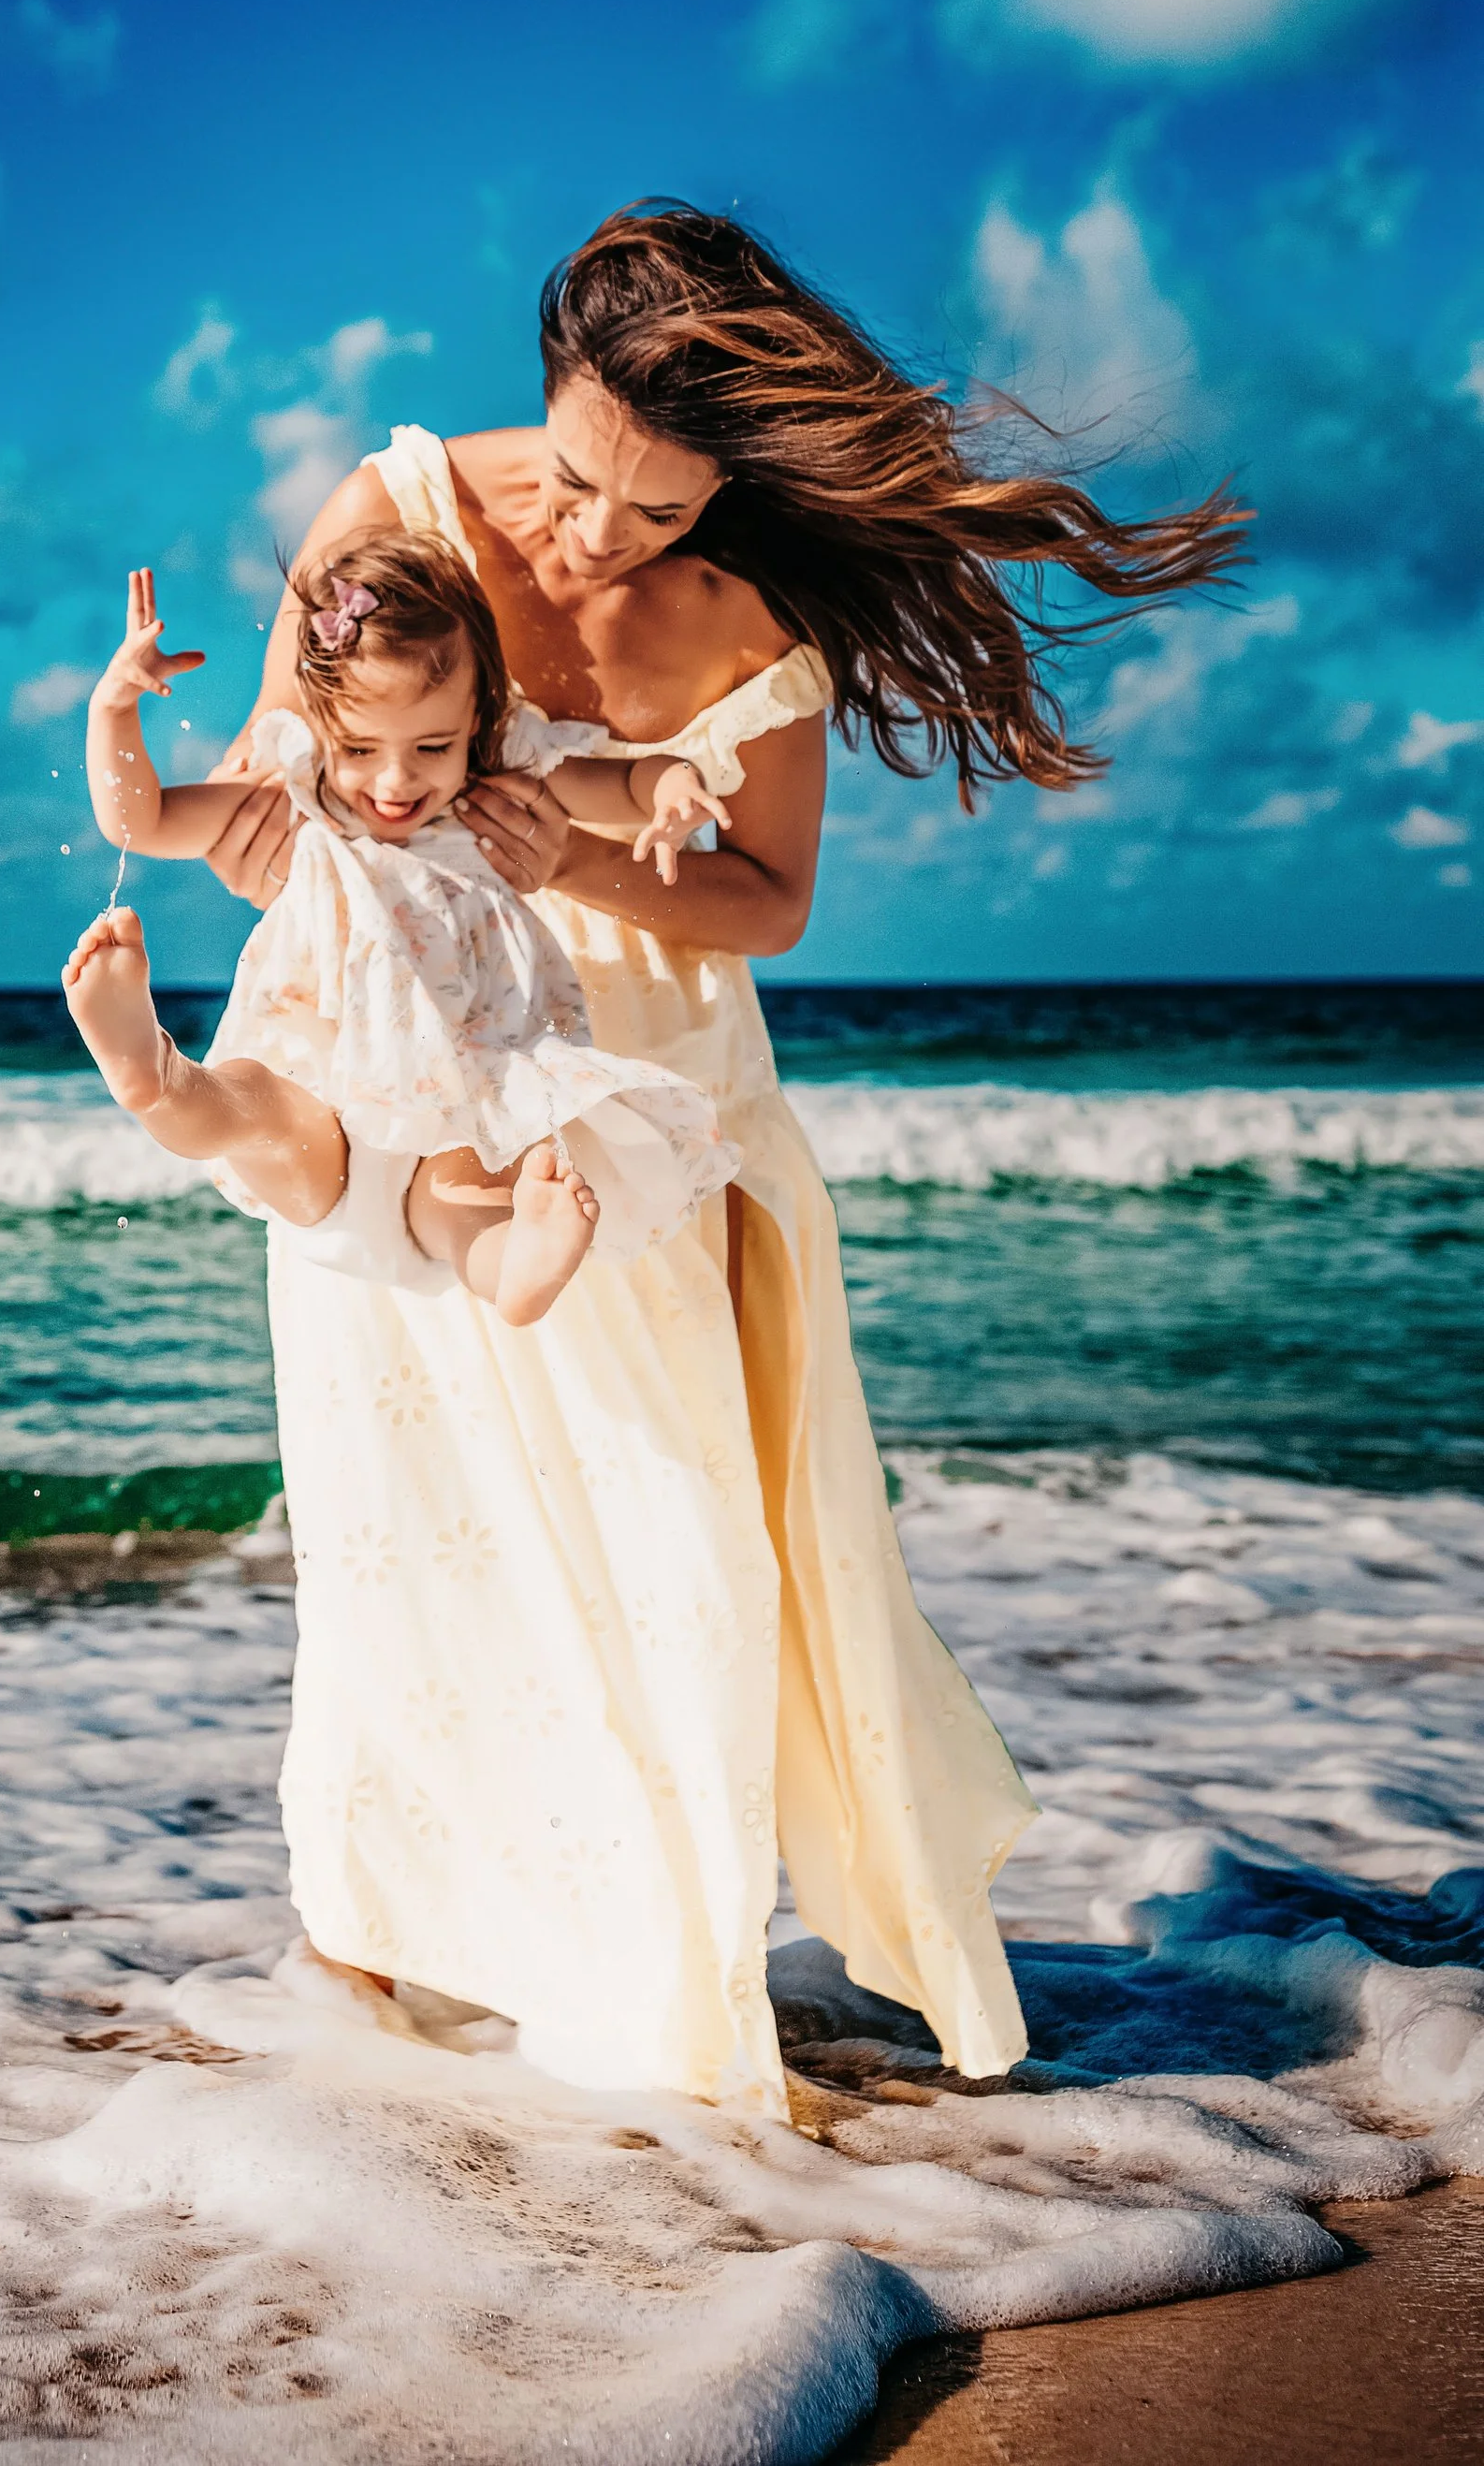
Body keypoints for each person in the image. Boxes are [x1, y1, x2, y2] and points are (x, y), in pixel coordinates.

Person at [190, 201, 1244, 2114]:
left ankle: (671, 2003)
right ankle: (369, 1987)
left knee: (666, 1534)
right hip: (415, 1085)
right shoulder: (396, 510)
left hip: (643, 1113)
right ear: (545, 390)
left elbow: (761, 904)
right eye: (584, 478)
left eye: (659, 509)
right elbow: (299, 761)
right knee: (398, 1538)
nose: (597, 534)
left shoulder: (746, 628)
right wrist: (259, 842)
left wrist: (571, 853)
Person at [62, 533, 737, 1326]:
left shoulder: (503, 776)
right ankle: (157, 1075)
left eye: (431, 745)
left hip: (463, 1093)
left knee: (468, 1204)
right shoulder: (302, 795)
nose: (394, 779)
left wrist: (673, 787)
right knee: (258, 1109)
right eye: (359, 747)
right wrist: (114, 709)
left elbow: (625, 782)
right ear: (319, 724)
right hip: (323, 1074)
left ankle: (519, 1270)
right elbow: (139, 821)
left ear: (479, 718)